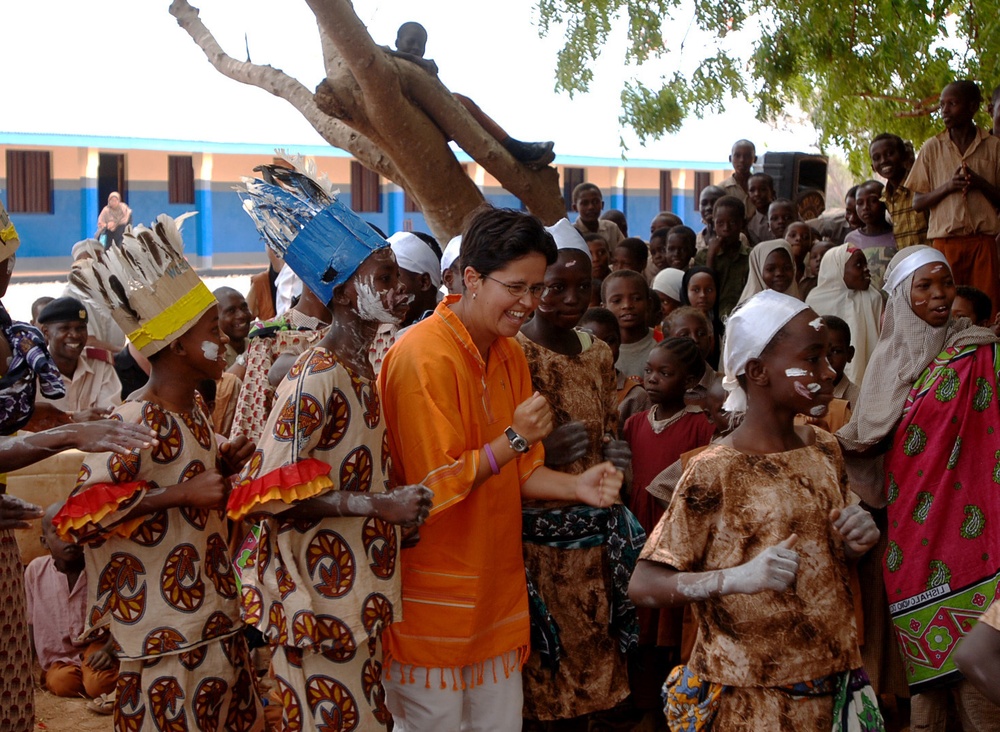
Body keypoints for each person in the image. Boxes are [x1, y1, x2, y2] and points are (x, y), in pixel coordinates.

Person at [376, 206, 623, 732]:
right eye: (517, 287)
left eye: (535, 288)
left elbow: (523, 471)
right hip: (434, 602)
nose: (529, 303)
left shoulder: (508, 352)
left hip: (495, 597)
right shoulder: (423, 355)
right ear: (470, 278)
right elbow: (431, 489)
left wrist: (578, 486)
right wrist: (513, 438)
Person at [227, 187, 434, 730]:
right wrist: (378, 506)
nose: (402, 291)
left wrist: (391, 513)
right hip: (313, 599)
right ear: (343, 294)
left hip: (352, 590)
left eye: (399, 277)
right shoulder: (317, 373)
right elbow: (270, 493)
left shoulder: (364, 366)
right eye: (384, 279)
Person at [630, 290, 882, 730]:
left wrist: (854, 543)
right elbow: (645, 583)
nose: (829, 372)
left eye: (828, 358)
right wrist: (737, 578)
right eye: (813, 358)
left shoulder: (823, 447)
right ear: (758, 371)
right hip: (750, 703)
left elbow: (828, 558)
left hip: (831, 686)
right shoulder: (715, 471)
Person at [53, 215, 264, 729]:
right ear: (176, 346)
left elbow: (183, 470)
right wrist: (181, 495)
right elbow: (78, 522)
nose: (224, 341)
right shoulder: (130, 420)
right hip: (158, 636)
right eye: (212, 331)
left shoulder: (193, 409)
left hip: (214, 621)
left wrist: (221, 461)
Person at [837, 246, 1000, 729]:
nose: (939, 296)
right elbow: (866, 437)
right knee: (926, 700)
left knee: (980, 693)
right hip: (909, 537)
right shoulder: (885, 362)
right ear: (901, 295)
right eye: (924, 286)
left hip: (971, 532)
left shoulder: (978, 352)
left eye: (945, 284)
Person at [514, 219, 639, 728]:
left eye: (581, 287)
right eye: (553, 287)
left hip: (596, 544)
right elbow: (498, 443)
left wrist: (618, 455)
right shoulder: (514, 353)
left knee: (597, 675)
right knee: (546, 681)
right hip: (538, 549)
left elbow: (608, 427)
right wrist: (542, 452)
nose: (569, 297)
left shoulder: (598, 353)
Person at [622, 337, 714, 724]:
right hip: (635, 531)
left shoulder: (700, 428)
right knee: (636, 619)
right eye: (650, 371)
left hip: (672, 533)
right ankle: (640, 700)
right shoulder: (633, 424)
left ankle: (669, 704)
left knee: (669, 623)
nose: (653, 379)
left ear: (690, 379)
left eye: (665, 373)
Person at [391, 22, 555, 168]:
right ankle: (515, 148)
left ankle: (512, 149)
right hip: (407, 128)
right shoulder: (386, 62)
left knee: (463, 104)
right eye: (411, 41)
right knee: (461, 101)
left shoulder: (422, 69)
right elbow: (380, 49)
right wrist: (418, 61)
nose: (417, 48)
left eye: (421, 44)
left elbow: (441, 98)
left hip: (431, 126)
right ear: (397, 42)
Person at [907, 80, 1000, 315]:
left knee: (987, 309)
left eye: (952, 103)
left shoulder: (994, 147)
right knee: (946, 309)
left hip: (983, 242)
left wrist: (979, 183)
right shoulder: (931, 148)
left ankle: (987, 352)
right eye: (941, 105)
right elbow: (917, 203)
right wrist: (948, 187)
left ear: (973, 107)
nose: (945, 110)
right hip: (945, 244)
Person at [25, 502, 118, 706]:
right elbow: (31, 623)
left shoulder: (101, 567)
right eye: (59, 532)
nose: (70, 539)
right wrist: (24, 668)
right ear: (44, 541)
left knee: (97, 684)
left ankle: (100, 680)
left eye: (76, 530)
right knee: (61, 683)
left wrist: (109, 650)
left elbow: (123, 615)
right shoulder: (35, 571)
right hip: (61, 657)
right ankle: (85, 678)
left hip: (97, 645)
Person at [28, 297, 122, 430]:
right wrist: (74, 420)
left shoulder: (100, 364)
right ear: (46, 332)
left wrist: (64, 422)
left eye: (80, 328)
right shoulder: (29, 370)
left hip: (96, 448)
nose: (75, 335)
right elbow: (26, 428)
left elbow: (112, 418)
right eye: (64, 328)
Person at [806, 243, 883, 386]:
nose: (866, 270)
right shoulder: (816, 299)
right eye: (859, 265)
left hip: (867, 372)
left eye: (865, 264)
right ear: (838, 270)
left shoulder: (873, 297)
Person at [64, 238, 126, 351]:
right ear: (76, 267)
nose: (91, 266)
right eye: (85, 262)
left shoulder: (117, 289)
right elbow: (88, 342)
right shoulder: (71, 295)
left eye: (97, 261)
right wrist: (124, 354)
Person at [869, 133, 928, 249]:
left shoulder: (920, 186)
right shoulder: (884, 196)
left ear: (904, 156)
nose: (883, 161)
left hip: (929, 259)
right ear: (872, 167)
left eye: (890, 154)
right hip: (906, 262)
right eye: (877, 158)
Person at [696, 195, 751, 318]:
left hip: (743, 319)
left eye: (732, 222)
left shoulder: (751, 256)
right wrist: (711, 255)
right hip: (711, 319)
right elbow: (705, 288)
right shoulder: (703, 256)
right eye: (720, 223)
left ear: (742, 223)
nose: (726, 228)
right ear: (713, 224)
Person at [602, 270, 655, 379]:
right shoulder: (598, 349)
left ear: (649, 304)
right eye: (617, 301)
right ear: (604, 307)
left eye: (636, 299)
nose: (627, 305)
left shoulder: (663, 342)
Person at [389, 231, 442, 327]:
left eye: (396, 277)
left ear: (424, 282)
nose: (385, 289)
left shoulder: (451, 330)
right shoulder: (374, 333)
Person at [680, 266, 723, 368]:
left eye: (709, 290)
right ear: (686, 292)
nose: (703, 295)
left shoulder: (721, 327)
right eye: (696, 290)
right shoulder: (678, 326)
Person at [737, 239, 799, 305]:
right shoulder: (746, 311)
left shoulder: (801, 309)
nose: (779, 273)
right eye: (771, 269)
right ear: (758, 271)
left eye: (787, 268)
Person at [846, 181, 897, 252]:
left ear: (885, 202)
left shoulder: (897, 235)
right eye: (860, 203)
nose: (865, 207)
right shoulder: (851, 240)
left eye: (873, 201)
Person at [822, 315, 861, 409]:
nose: (826, 359)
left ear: (849, 354)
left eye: (835, 351)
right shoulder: (800, 394)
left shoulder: (859, 401)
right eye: (819, 351)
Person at [572, 183, 626, 249]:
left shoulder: (612, 229)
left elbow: (622, 252)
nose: (591, 207)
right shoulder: (572, 232)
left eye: (595, 202)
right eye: (585, 203)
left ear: (602, 205)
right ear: (575, 208)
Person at [214, 286, 252, 368]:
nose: (241, 315)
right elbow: (224, 381)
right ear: (215, 319)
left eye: (244, 308)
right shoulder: (214, 355)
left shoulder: (257, 343)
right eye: (231, 311)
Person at [720, 139, 756, 218]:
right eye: (737, 156)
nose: (742, 160)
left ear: (755, 159)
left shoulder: (762, 187)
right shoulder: (722, 189)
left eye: (747, 156)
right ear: (730, 158)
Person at [746, 172, 777, 244]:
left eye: (763, 189)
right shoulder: (752, 226)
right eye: (752, 190)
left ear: (772, 193)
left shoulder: (787, 211)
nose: (757, 194)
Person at [695, 185, 726, 251]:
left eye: (714, 202)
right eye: (704, 203)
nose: (708, 207)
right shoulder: (695, 240)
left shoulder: (738, 238)